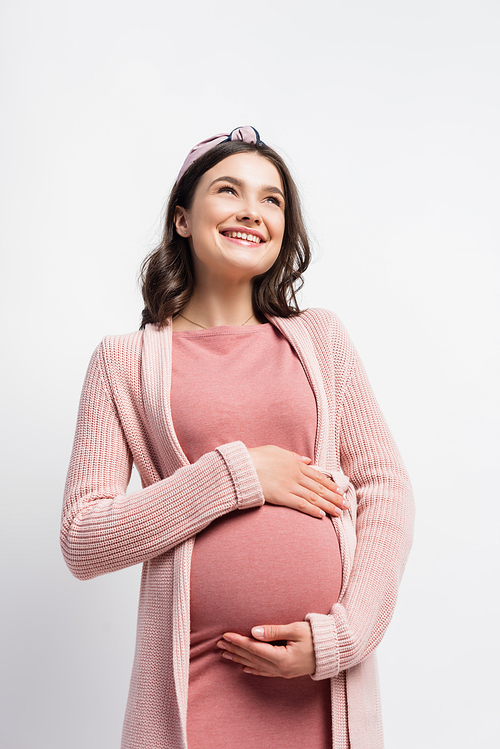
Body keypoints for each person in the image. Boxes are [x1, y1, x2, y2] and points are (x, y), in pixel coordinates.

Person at [61, 126, 414, 749]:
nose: (253, 210)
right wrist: (237, 475)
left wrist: (347, 635)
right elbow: (84, 540)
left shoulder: (321, 340)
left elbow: (386, 490)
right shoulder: (123, 362)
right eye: (229, 190)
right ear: (182, 219)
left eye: (272, 199)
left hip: (321, 687)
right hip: (195, 691)